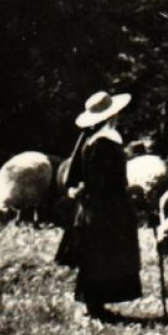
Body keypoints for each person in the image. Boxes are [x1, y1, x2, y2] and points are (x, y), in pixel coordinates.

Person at [55, 91, 142, 321]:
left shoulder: (91, 138)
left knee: (98, 255)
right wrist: (127, 191)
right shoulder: (103, 143)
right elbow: (103, 179)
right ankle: (94, 306)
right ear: (111, 116)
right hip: (105, 206)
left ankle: (96, 304)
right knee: (101, 254)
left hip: (96, 204)